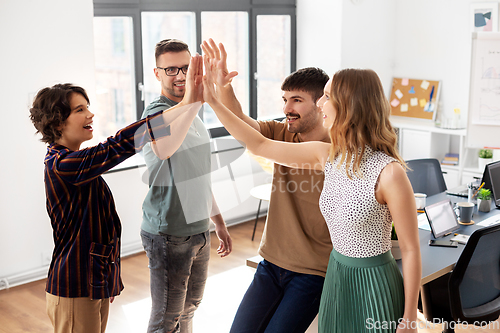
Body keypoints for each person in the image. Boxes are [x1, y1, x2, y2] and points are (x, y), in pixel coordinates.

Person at [202, 53, 422, 333]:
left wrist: (410, 318)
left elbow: (411, 249)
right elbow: (256, 142)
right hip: (336, 277)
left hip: (370, 280)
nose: (320, 104)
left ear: (350, 106)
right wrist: (213, 100)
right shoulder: (327, 156)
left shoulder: (389, 173)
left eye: (327, 96)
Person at [29, 54, 206, 333]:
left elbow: (100, 229)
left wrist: (106, 279)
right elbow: (119, 144)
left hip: (91, 283)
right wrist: (189, 103)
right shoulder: (63, 165)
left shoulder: (74, 162)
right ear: (58, 121)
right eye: (80, 110)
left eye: (87, 107)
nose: (90, 115)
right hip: (74, 288)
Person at [201, 39, 333, 333]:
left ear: (321, 102)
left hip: (313, 272)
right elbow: (243, 124)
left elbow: (257, 144)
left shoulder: (334, 150)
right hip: (271, 263)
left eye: (296, 99)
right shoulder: (282, 133)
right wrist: (224, 87)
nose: (287, 108)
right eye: (284, 99)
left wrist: (214, 99)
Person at [140, 38, 232, 333]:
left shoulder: (194, 113)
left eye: (185, 68)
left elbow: (198, 175)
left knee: (190, 309)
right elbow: (163, 149)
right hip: (168, 234)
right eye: (171, 70)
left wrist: (218, 221)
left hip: (198, 229)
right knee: (166, 318)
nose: (180, 76)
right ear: (157, 73)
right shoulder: (155, 112)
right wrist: (195, 99)